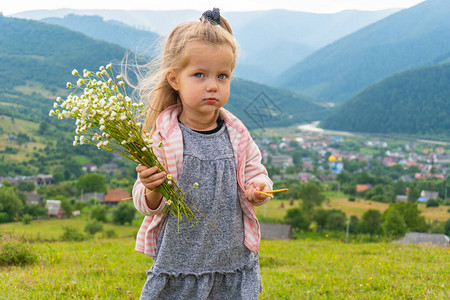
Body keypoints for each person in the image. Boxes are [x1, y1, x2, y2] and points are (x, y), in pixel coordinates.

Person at [132, 8, 273, 300]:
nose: (213, 85)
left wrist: (260, 188)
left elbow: (255, 170)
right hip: (180, 261)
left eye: (222, 76)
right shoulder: (164, 136)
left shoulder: (236, 133)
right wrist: (151, 189)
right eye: (199, 75)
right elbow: (145, 203)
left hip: (231, 259)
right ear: (174, 79)